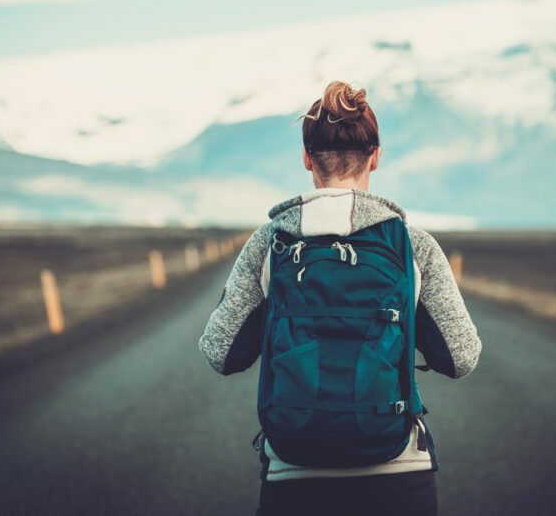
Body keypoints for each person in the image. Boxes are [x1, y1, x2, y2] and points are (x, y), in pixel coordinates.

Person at [199, 81, 482, 516]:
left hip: (294, 476)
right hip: (398, 476)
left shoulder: (269, 242)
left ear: (307, 158)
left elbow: (220, 352)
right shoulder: (411, 245)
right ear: (376, 155)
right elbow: (460, 357)